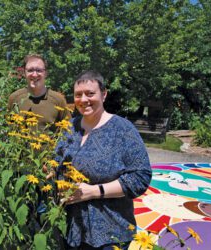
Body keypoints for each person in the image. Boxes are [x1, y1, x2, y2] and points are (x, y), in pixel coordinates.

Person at [54, 70, 152, 249]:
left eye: (90, 93)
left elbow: (140, 177)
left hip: (110, 232)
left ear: (104, 94)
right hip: (71, 228)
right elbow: (57, 161)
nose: (83, 100)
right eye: (78, 95)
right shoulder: (69, 127)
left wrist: (94, 191)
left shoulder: (122, 130)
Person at [8, 54, 70, 131]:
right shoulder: (14, 98)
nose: (34, 75)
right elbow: (8, 128)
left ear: (46, 73)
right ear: (24, 73)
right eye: (30, 70)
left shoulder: (58, 100)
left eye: (39, 70)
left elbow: (67, 130)